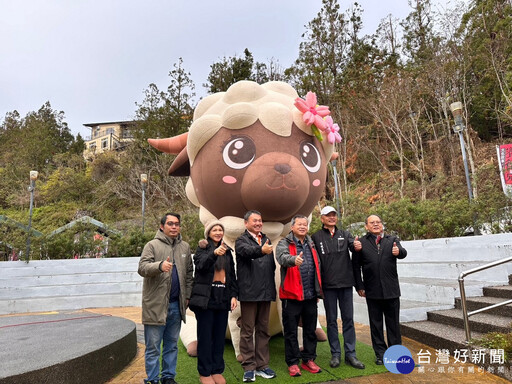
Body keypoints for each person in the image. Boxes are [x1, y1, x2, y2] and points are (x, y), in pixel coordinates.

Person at [138, 213, 194, 384]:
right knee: (153, 347)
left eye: (177, 224)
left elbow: (189, 274)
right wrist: (159, 266)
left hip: (177, 305)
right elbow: (142, 267)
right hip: (156, 305)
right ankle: (153, 379)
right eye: (170, 223)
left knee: (171, 345)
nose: (174, 227)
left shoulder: (184, 247)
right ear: (162, 226)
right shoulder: (152, 245)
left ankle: (168, 377)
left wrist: (187, 296)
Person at [312, 206, 365, 370]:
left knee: (348, 319)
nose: (332, 218)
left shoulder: (345, 234)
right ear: (322, 219)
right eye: (328, 215)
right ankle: (335, 354)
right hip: (328, 286)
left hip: (346, 284)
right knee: (331, 321)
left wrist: (357, 246)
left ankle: (351, 354)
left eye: (334, 215)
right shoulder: (316, 237)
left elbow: (354, 248)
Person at [352, 214, 407, 365]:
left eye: (378, 222)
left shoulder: (392, 240)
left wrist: (399, 252)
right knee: (376, 325)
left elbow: (403, 252)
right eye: (372, 222)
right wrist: (359, 286)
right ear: (366, 226)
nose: (376, 224)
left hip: (391, 290)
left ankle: (395, 353)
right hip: (372, 290)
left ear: (382, 225)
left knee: (393, 324)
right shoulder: (361, 243)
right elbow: (355, 267)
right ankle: (380, 354)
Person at [189, 221, 239, 384]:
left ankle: (217, 370)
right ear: (208, 233)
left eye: (220, 230)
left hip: (222, 300)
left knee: (218, 338)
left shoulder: (227, 251)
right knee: (205, 338)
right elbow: (201, 266)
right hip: (206, 301)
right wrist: (214, 254)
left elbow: (231, 276)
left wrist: (233, 295)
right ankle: (204, 372)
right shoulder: (203, 248)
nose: (218, 232)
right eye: (214, 230)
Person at [276, 215, 323, 377]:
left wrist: (317, 290)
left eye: (305, 224)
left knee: (310, 330)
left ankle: (309, 359)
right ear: (292, 227)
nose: (303, 227)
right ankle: (293, 362)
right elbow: (281, 258)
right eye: (299, 224)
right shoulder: (284, 243)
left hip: (310, 295)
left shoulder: (312, 243)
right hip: (291, 296)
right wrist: (292, 260)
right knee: (291, 331)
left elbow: (318, 266)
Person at [235, 210, 277, 382]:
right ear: (246, 223)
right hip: (249, 292)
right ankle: (249, 366)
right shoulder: (241, 240)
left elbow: (271, 267)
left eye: (260, 220)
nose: (258, 223)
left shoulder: (266, 239)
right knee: (247, 331)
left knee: (263, 330)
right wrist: (262, 250)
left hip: (266, 292)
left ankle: (262, 365)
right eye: (255, 221)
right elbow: (247, 252)